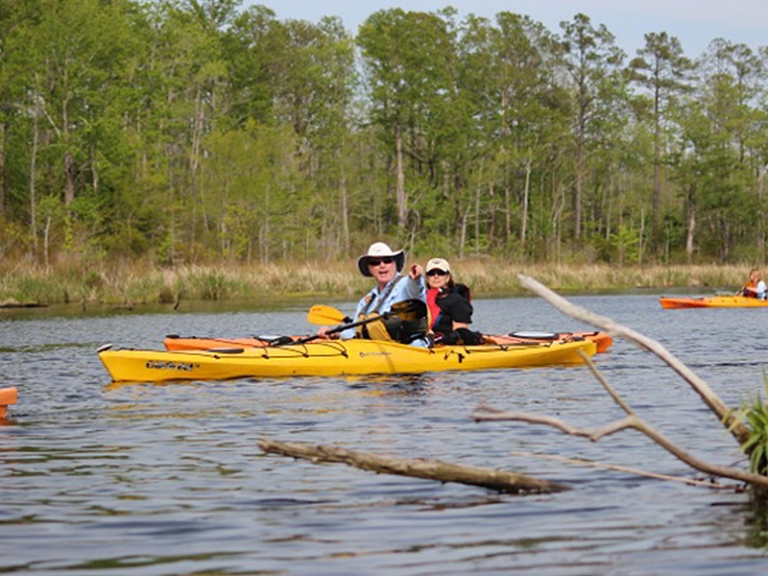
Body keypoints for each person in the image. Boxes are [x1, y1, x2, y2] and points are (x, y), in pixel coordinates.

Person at [317, 242, 428, 345]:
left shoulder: (406, 284)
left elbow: (416, 291)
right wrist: (335, 333)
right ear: (370, 268)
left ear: (394, 264)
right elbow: (354, 330)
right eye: (375, 262)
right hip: (376, 350)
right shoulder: (366, 301)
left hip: (410, 347)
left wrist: (416, 278)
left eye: (387, 260)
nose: (382, 265)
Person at [424, 258, 483, 345]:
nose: (436, 276)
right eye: (431, 273)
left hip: (446, 346)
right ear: (427, 278)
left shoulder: (458, 302)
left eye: (441, 273)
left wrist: (437, 339)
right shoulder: (421, 298)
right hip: (424, 343)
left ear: (447, 277)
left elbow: (460, 334)